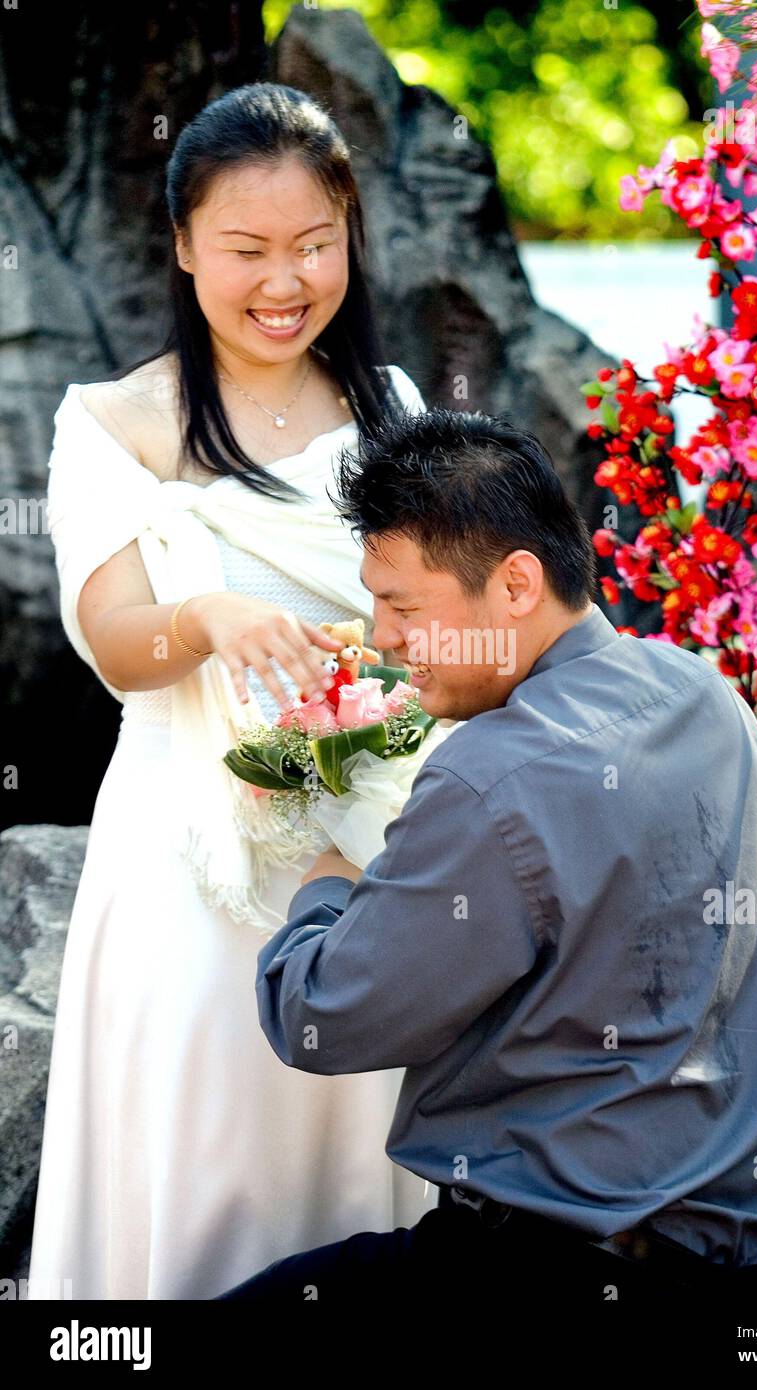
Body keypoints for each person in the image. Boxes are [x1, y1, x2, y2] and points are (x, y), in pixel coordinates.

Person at [216, 406, 757, 1306]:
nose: (380, 636)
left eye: (402, 605)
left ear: (518, 585)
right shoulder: (705, 693)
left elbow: (319, 1019)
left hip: (535, 1272)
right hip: (741, 1262)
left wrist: (327, 871)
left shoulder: (491, 776)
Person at [27, 82, 439, 1302]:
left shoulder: (391, 412)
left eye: (315, 245)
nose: (285, 282)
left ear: (350, 236)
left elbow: (444, 631)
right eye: (246, 250)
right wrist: (205, 622)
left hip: (364, 847)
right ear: (182, 245)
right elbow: (113, 642)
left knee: (353, 1149)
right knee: (206, 1156)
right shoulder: (114, 422)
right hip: (189, 860)